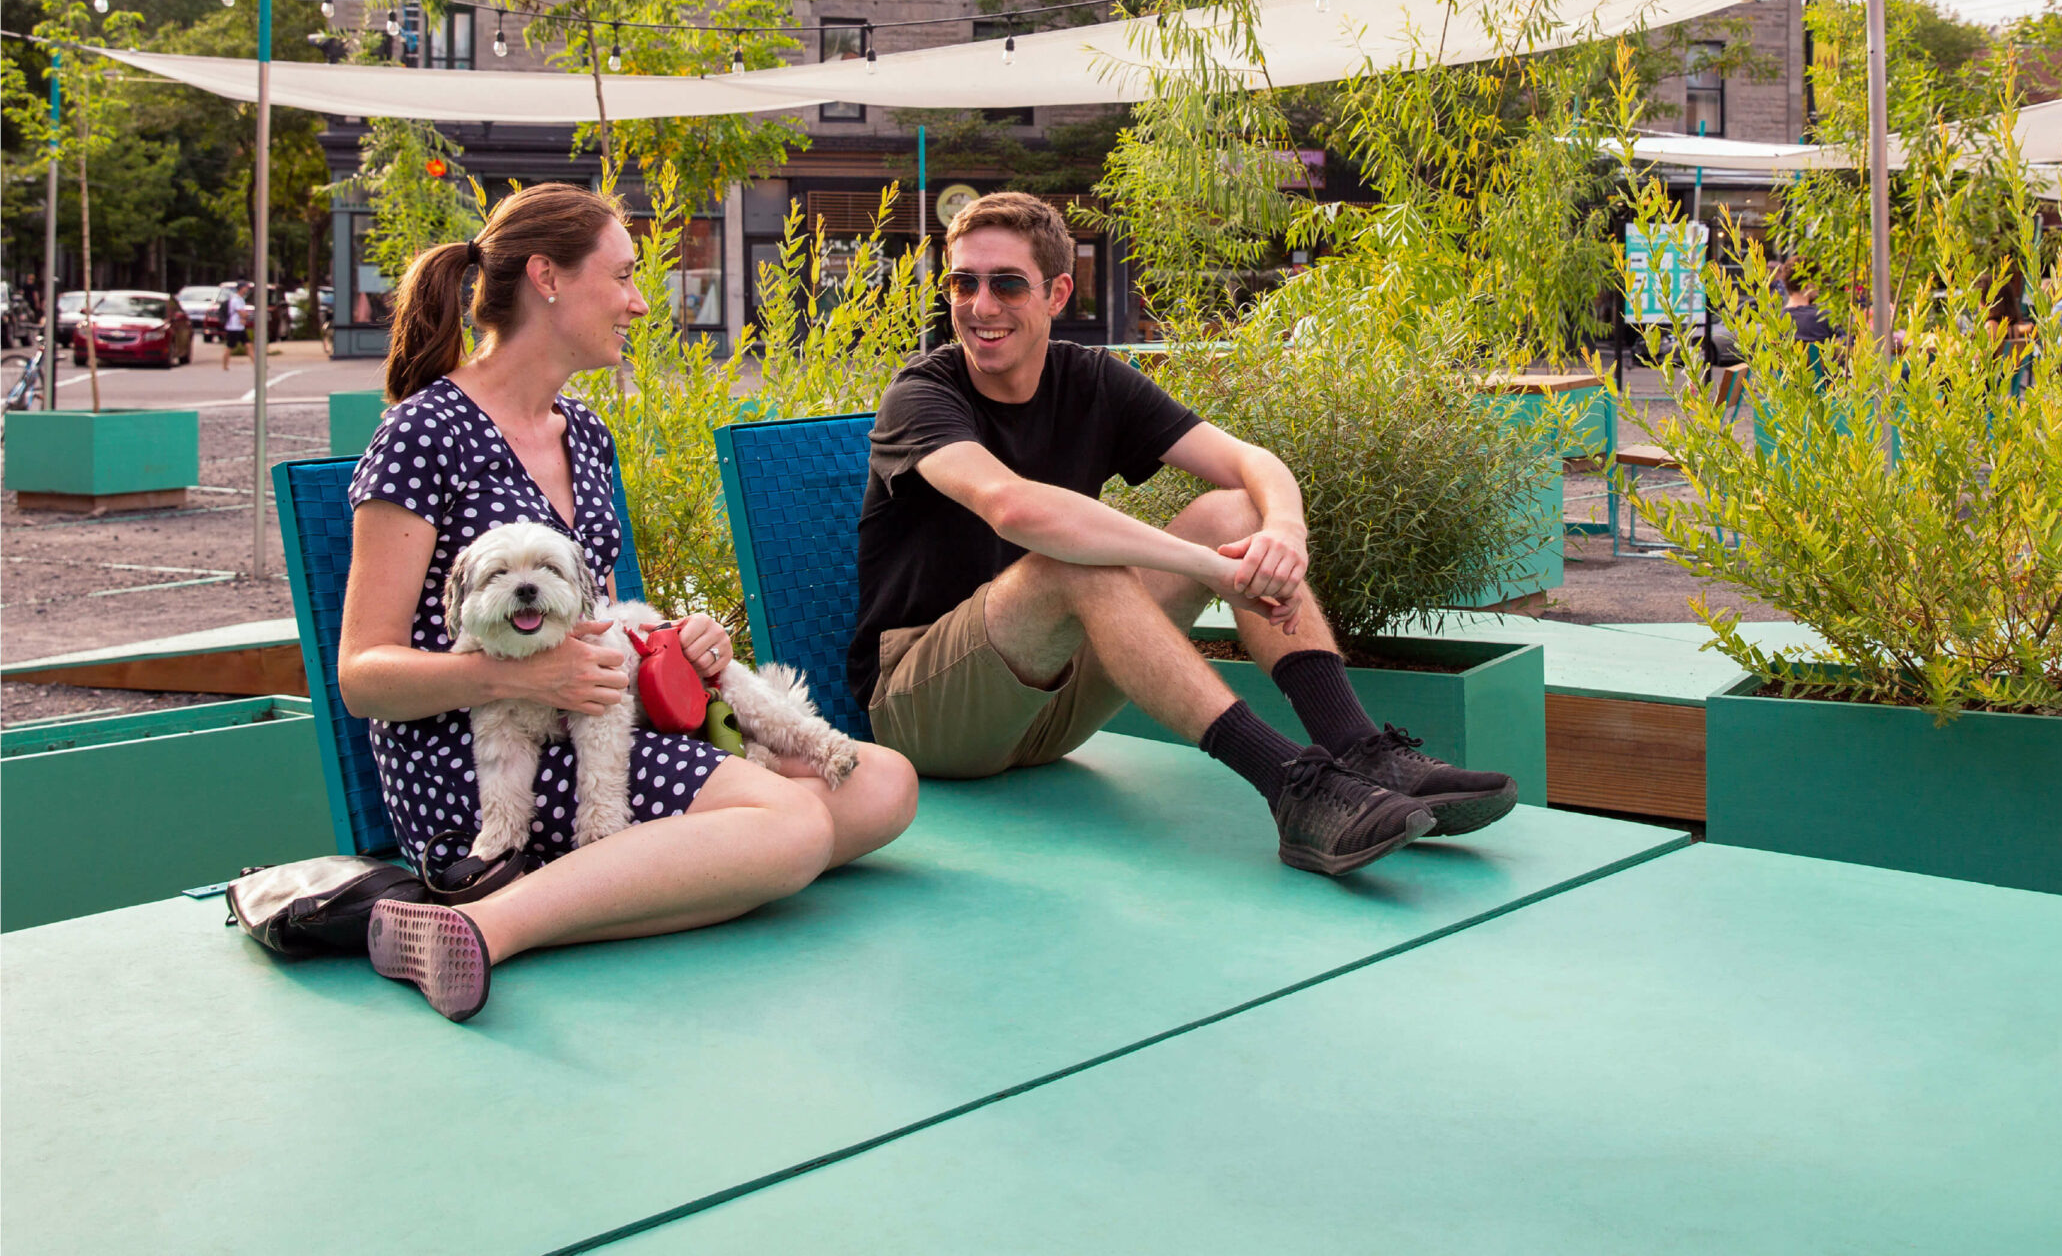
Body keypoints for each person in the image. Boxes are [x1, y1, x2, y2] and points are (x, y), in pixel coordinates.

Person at [337, 184, 918, 1021]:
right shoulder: (424, 432)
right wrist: (519, 680)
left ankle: (602, 883)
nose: (641, 302)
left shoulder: (582, 429)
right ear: (547, 277)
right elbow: (364, 673)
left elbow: (598, 613)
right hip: (480, 762)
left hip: (600, 730)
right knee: (793, 828)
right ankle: (478, 923)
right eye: (624, 276)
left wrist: (682, 638)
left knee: (883, 787)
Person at [855, 192, 1515, 878]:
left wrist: (1285, 532)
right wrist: (1208, 567)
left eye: (1006, 283)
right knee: (1076, 560)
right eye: (963, 282)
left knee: (1236, 513)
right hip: (924, 708)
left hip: (1047, 700)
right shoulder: (922, 394)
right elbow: (1016, 509)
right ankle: (1291, 785)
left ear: (1057, 292)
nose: (979, 305)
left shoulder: (1091, 381)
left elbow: (1249, 463)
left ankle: (1359, 749)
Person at [219, 282, 252, 371]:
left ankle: (256, 364)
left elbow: (242, 314)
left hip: (240, 327)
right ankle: (224, 365)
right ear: (241, 288)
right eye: (246, 287)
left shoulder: (241, 299)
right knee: (230, 346)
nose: (247, 289)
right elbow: (241, 312)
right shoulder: (235, 299)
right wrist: (245, 316)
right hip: (233, 327)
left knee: (248, 345)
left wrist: (244, 318)